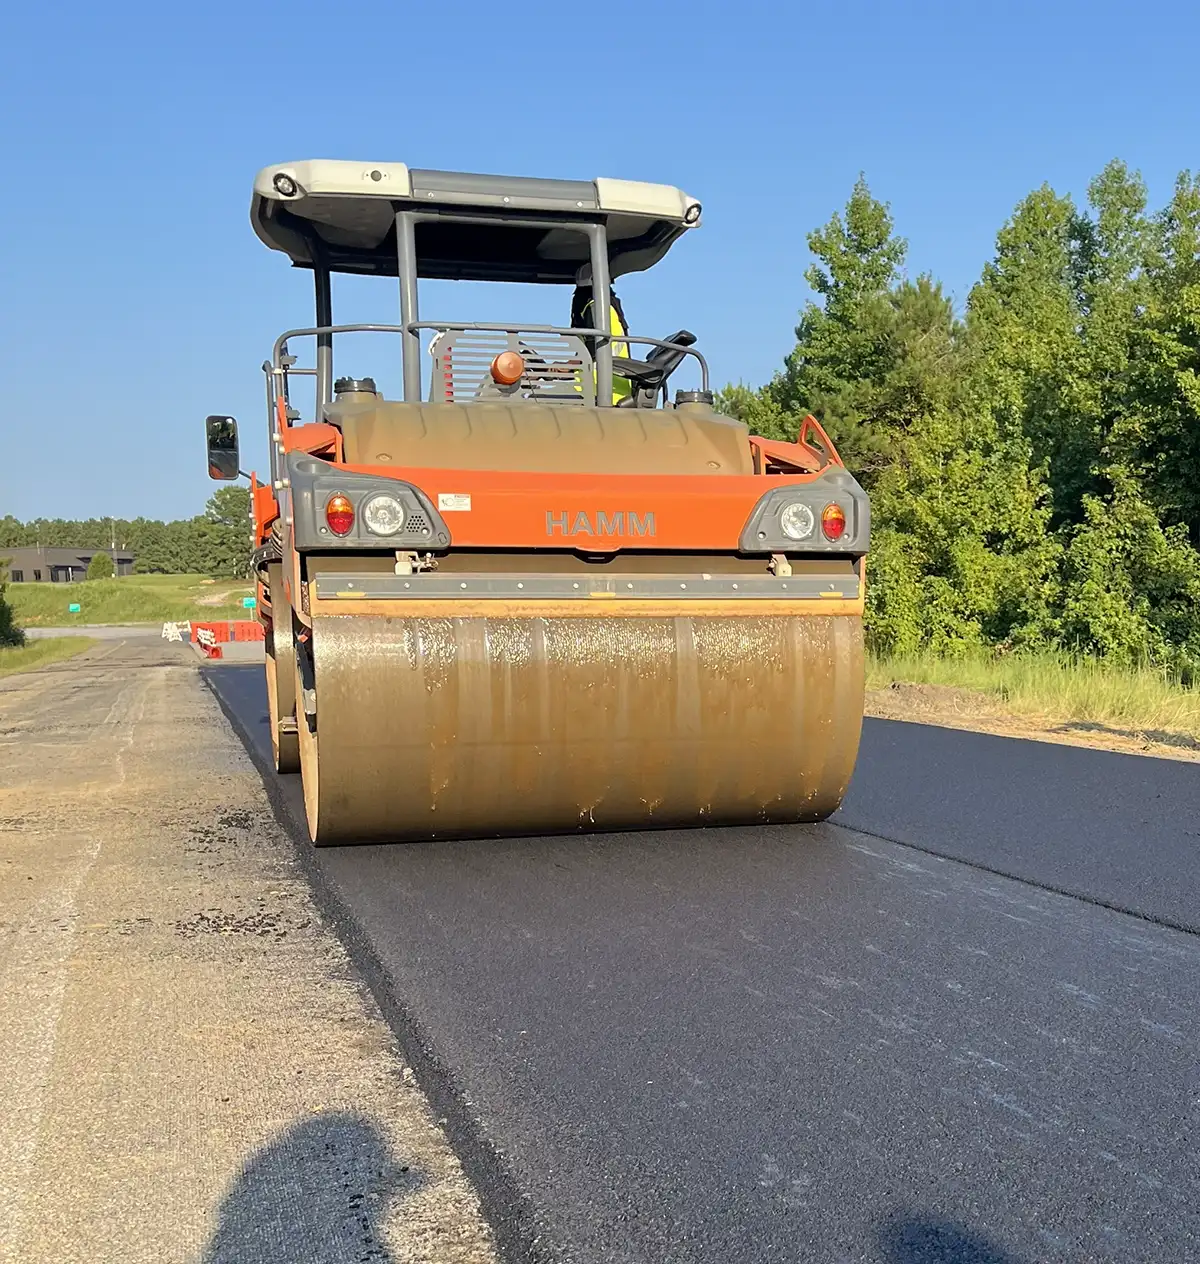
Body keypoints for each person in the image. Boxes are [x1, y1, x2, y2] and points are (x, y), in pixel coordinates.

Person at [570, 284, 632, 404]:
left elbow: (591, 352)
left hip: (602, 392)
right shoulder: (607, 309)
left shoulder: (596, 310)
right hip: (606, 389)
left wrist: (562, 368)